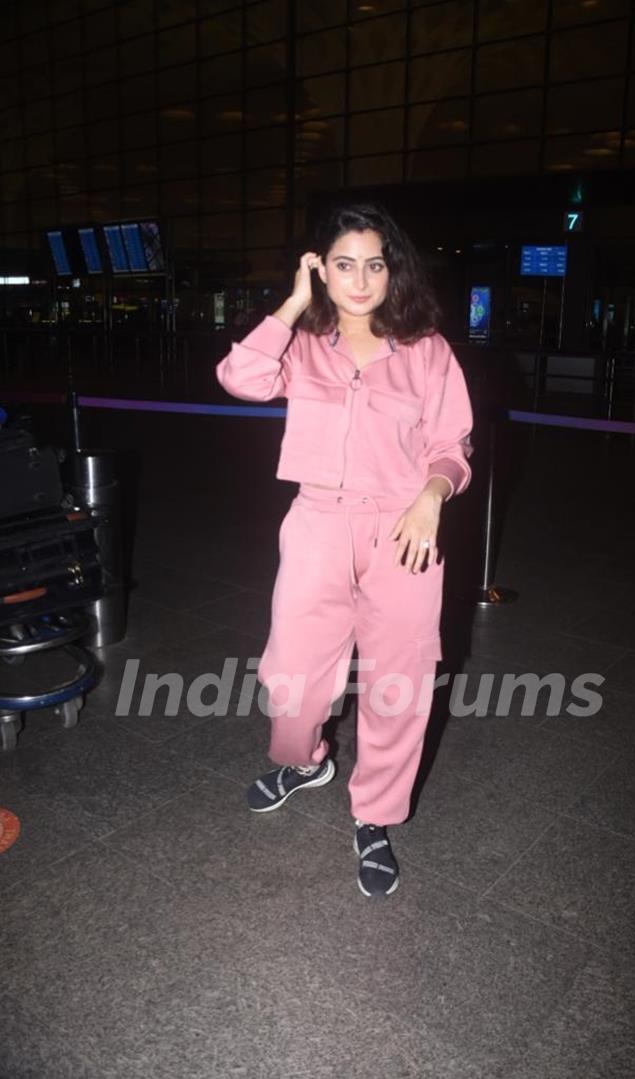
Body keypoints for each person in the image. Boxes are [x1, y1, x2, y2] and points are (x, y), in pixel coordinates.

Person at [216, 203, 473, 897]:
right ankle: (305, 762)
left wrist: (431, 495)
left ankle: (375, 815)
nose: (361, 279)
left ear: (395, 272)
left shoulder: (427, 350)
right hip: (317, 525)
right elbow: (239, 378)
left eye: (375, 263)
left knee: (399, 683)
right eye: (343, 264)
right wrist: (292, 305)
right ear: (321, 270)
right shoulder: (300, 346)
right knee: (291, 681)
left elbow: (452, 444)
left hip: (403, 532)